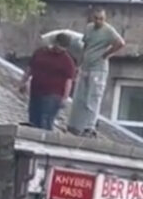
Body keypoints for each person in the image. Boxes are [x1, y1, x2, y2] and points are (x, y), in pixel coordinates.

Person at [67, 8, 124, 136]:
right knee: (80, 96)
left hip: (98, 69)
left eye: (101, 19)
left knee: (93, 97)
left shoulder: (108, 31)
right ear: (93, 18)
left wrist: (107, 54)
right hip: (86, 66)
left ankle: (90, 126)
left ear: (105, 19)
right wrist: (80, 63)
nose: (99, 21)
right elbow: (85, 45)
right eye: (96, 18)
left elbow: (120, 43)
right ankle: (76, 124)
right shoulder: (89, 28)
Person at [19, 33, 76, 131]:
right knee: (34, 119)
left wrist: (65, 98)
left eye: (63, 47)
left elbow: (68, 81)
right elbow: (30, 69)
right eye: (59, 46)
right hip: (36, 90)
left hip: (54, 94)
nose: (60, 49)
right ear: (55, 43)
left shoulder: (67, 61)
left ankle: (44, 142)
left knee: (45, 120)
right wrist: (23, 82)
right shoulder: (40, 53)